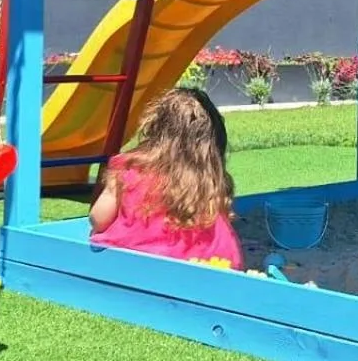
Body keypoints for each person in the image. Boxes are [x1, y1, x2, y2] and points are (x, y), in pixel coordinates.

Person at [89, 88, 244, 270]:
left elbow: (98, 218)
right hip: (207, 262)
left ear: (155, 129)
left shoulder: (129, 168)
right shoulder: (209, 179)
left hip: (139, 259)